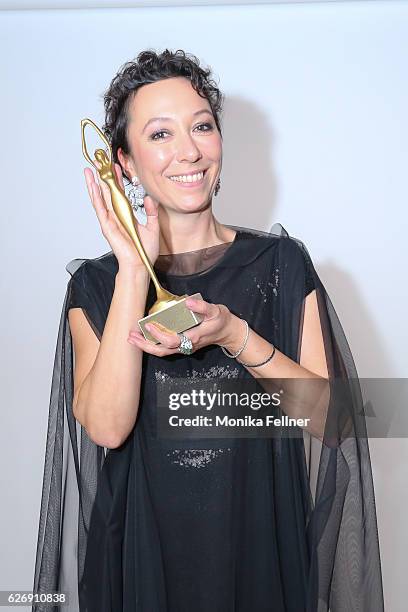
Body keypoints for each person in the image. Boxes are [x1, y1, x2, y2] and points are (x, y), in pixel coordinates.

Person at [32, 49, 384, 612]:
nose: (189, 151)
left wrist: (233, 334)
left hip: (260, 553)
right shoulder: (98, 286)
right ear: (123, 162)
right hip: (138, 562)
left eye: (201, 126)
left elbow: (338, 420)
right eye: (160, 135)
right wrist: (132, 269)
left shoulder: (281, 264)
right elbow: (106, 427)